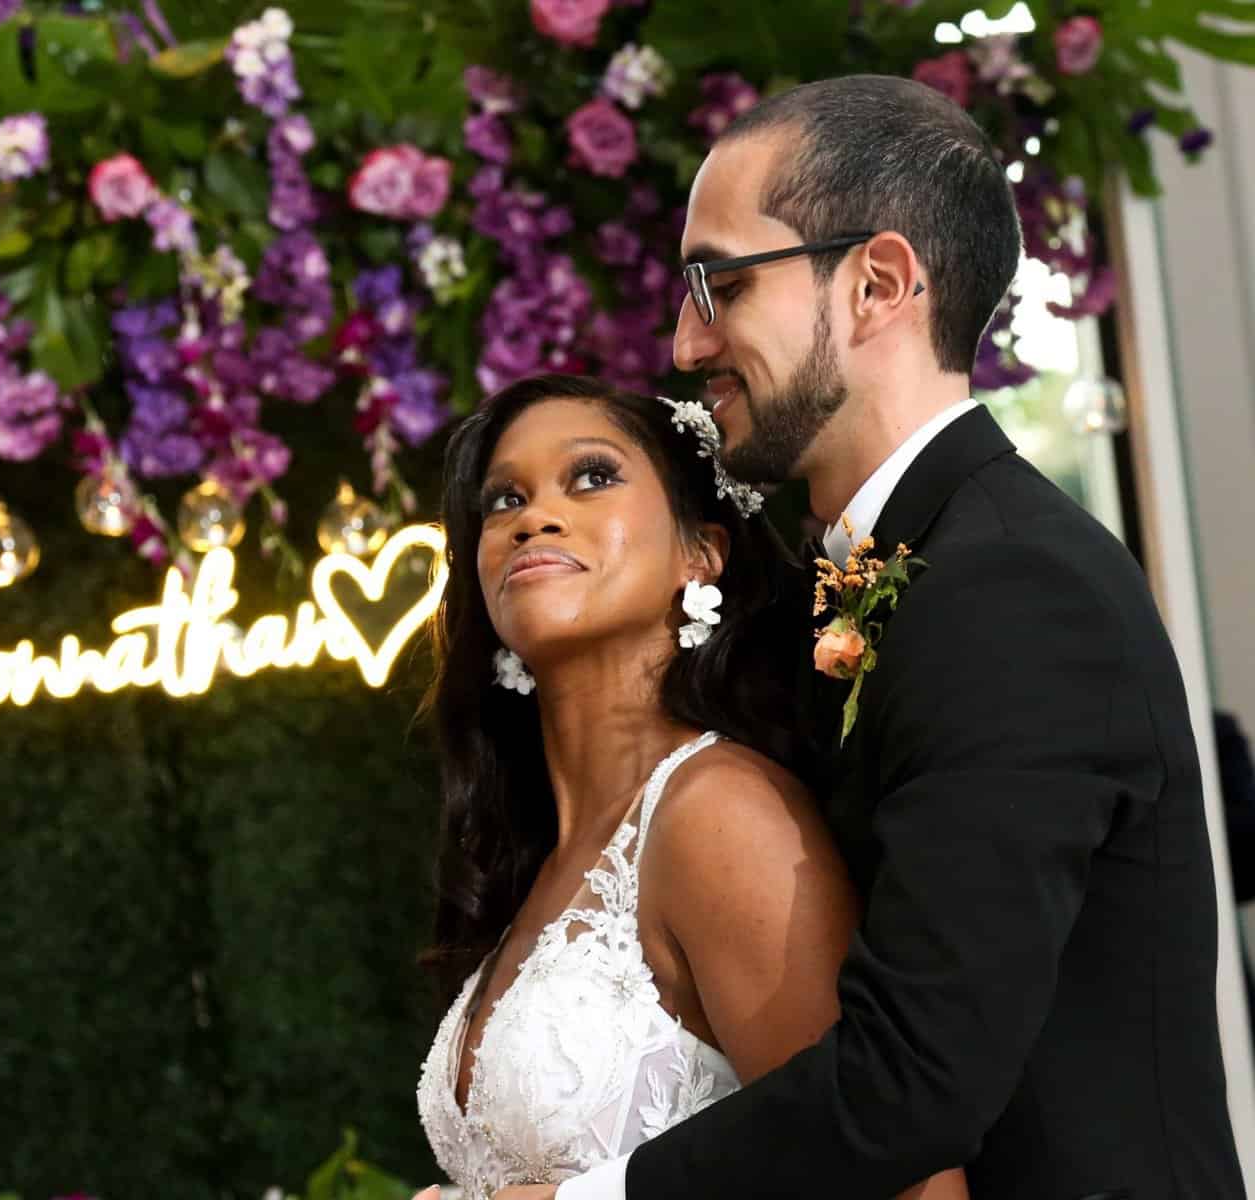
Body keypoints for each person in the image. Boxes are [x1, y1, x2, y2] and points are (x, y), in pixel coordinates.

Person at [536, 74, 1243, 1199]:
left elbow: (915, 1078)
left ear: (874, 284)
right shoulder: (861, 570)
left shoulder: (1011, 590)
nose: (681, 342)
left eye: (716, 283)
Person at [412, 373, 966, 1199]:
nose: (533, 517)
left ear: (699, 552)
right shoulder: (540, 863)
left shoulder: (716, 812)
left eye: (591, 476)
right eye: (501, 501)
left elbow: (903, 1186)